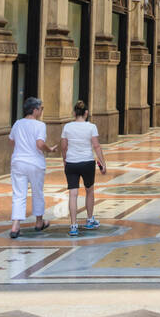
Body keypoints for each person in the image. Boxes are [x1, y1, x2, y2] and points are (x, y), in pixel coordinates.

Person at [9, 97, 57, 238]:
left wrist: (21, 148)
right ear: (35, 110)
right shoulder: (39, 125)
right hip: (35, 163)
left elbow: (11, 140)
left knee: (19, 194)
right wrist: (50, 150)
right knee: (37, 192)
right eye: (41, 109)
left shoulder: (18, 124)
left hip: (18, 161)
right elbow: (40, 144)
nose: (42, 111)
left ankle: (15, 225)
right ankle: (39, 222)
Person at [60, 99, 106, 236]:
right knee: (89, 190)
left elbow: (63, 146)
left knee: (73, 194)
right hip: (87, 162)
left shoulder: (67, 127)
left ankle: (73, 225)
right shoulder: (91, 127)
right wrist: (103, 163)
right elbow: (96, 146)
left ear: (74, 113)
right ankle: (89, 219)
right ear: (86, 113)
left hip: (72, 162)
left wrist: (65, 160)